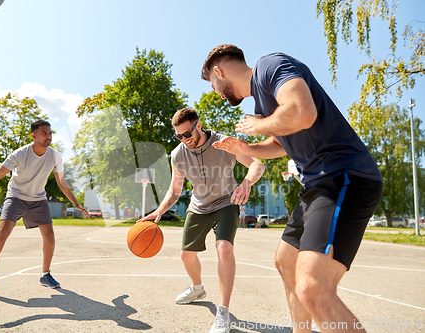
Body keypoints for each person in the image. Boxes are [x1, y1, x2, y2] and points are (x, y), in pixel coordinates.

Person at [201, 45, 382, 333]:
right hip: (317, 184)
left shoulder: (270, 66)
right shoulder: (262, 104)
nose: (217, 92)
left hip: (344, 175)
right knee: (286, 262)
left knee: (313, 288)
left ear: (219, 72)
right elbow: (281, 146)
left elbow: (301, 111)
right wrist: (246, 148)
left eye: (213, 84)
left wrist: (258, 127)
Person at [138, 108, 264, 333]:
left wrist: (246, 182)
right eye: (179, 136)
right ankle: (197, 288)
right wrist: (159, 210)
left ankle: (223, 312)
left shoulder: (224, 142)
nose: (185, 140)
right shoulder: (178, 154)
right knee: (186, 255)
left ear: (198, 125)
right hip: (199, 206)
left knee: (224, 248)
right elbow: (175, 190)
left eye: (188, 134)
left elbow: (257, 164)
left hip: (226, 201)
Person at [0, 120, 89, 299]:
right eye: (44, 133)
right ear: (34, 135)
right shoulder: (20, 154)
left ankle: (45, 275)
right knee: (1, 233)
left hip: (38, 199)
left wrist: (76, 204)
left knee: (49, 236)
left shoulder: (55, 156)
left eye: (50, 133)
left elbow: (62, 182)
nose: (48, 136)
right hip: (16, 196)